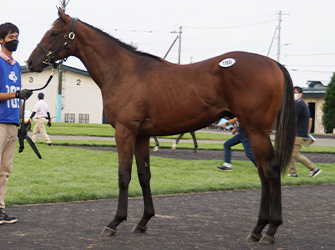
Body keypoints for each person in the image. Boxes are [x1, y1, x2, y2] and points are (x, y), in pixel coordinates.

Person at [0, 22, 32, 224]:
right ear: (1, 40)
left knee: (5, 170)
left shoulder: (17, 66)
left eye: (17, 36)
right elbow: (13, 93)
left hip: (12, 123)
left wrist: (23, 123)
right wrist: (16, 93)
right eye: (11, 37)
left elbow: (18, 98)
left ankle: (0, 208)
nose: (15, 40)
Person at [288, 87, 321, 178]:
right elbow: (310, 119)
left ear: (301, 94)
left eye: (295, 92)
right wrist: (307, 133)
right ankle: (292, 172)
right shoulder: (303, 104)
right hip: (300, 133)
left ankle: (314, 168)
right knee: (289, 153)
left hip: (298, 134)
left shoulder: (298, 104)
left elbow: (294, 119)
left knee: (294, 154)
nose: (293, 94)